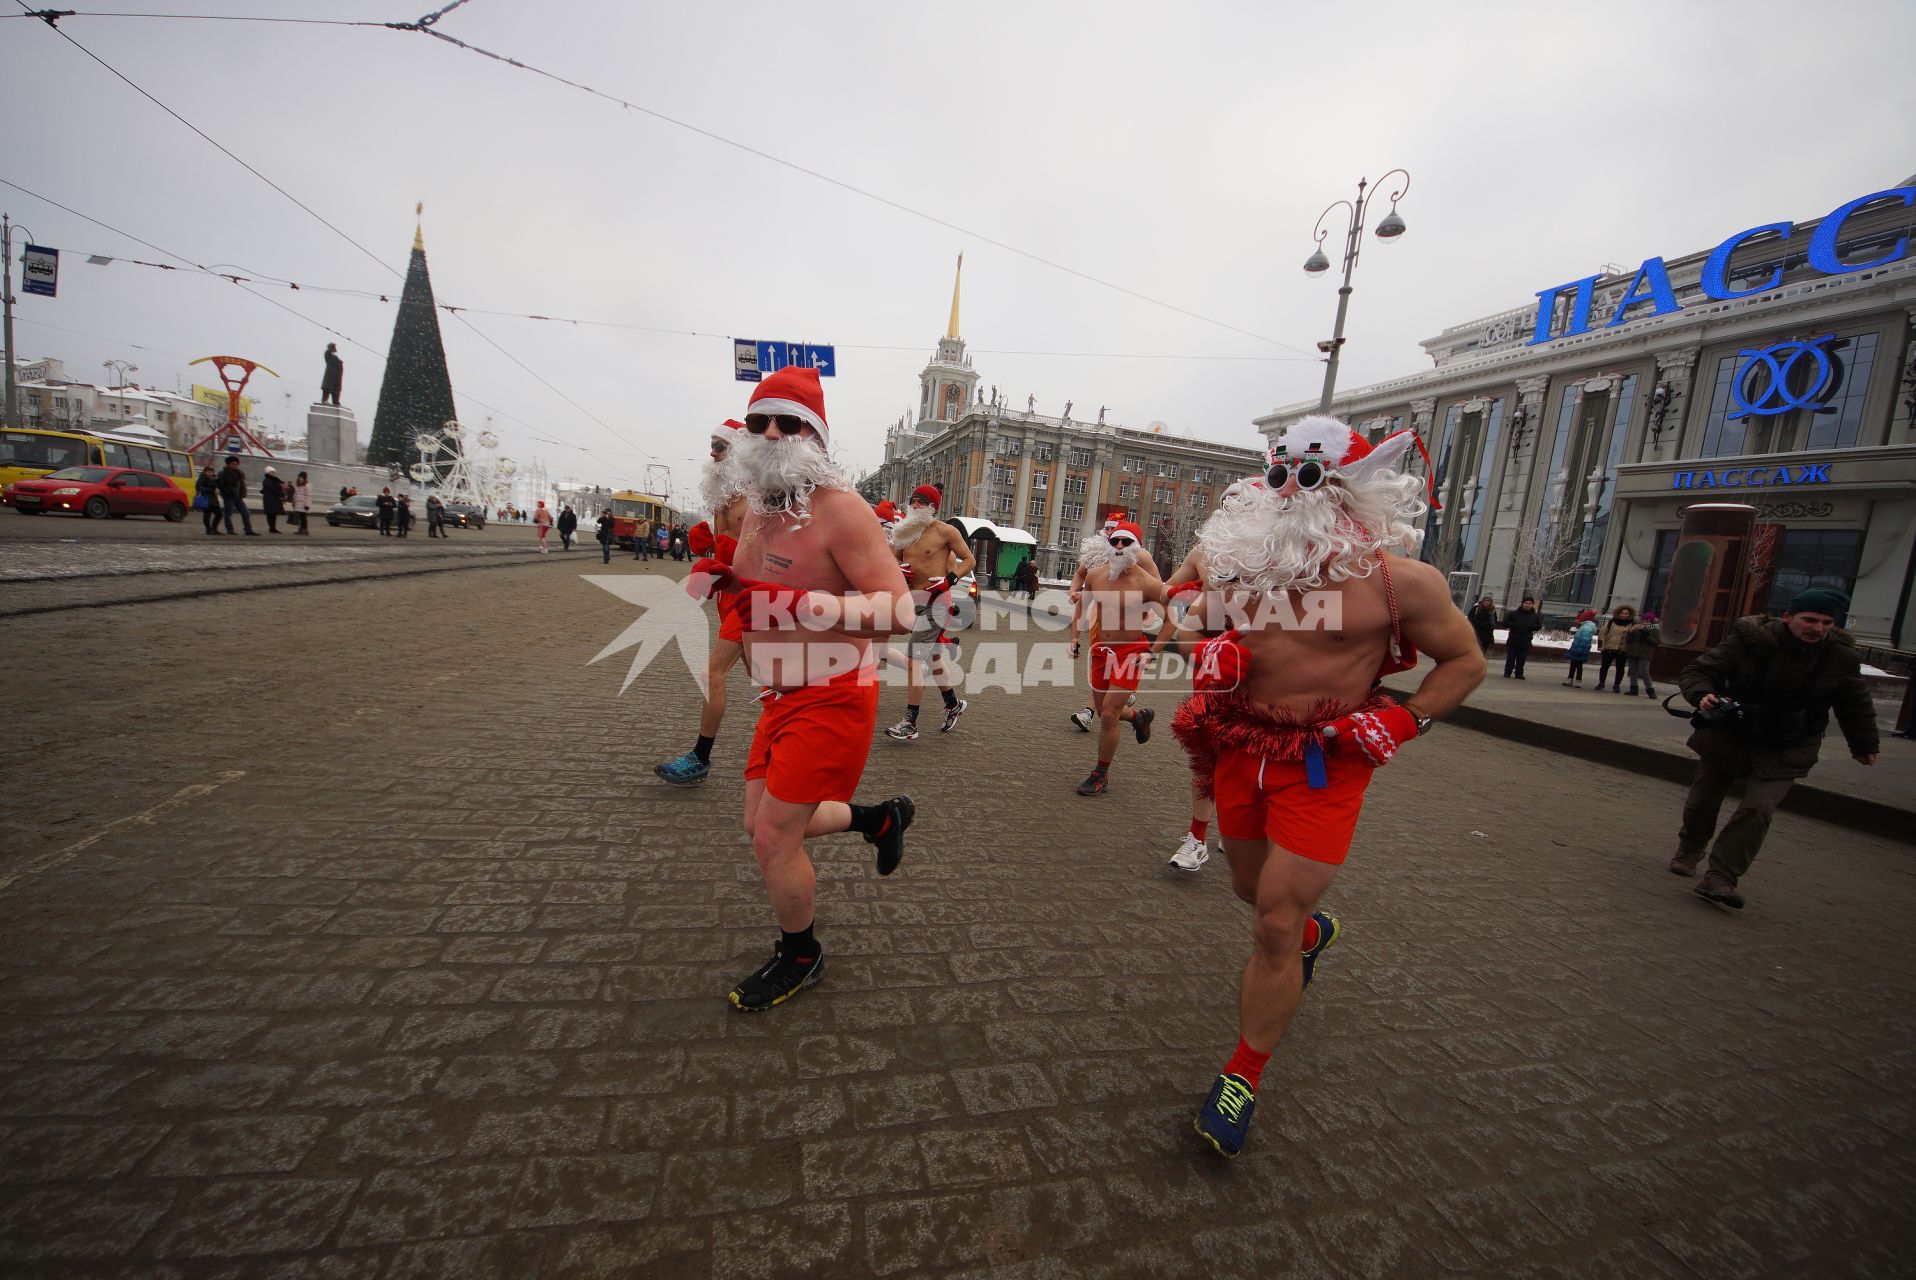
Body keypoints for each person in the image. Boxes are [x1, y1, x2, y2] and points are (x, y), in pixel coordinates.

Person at [1168, 415, 1484, 1157]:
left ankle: (1242, 1074)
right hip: (1240, 747)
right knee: (1252, 893)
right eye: (1279, 476)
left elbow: (1466, 663)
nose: (1291, 492)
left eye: (1310, 478)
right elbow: (1185, 619)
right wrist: (1203, 643)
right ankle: (1314, 937)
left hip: (1326, 761)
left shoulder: (1398, 583)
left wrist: (1404, 724)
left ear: (1352, 491)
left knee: (1272, 922)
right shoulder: (1239, 565)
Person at [683, 366, 914, 1011]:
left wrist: (802, 604)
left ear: (816, 435)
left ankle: (802, 955)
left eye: (791, 423)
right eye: (761, 422)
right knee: (758, 821)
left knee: (772, 837)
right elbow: (760, 589)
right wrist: (723, 576)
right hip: (777, 698)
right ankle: (879, 817)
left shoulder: (841, 510)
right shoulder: (758, 508)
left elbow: (898, 611)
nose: (774, 433)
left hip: (833, 692)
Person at [1672, 588, 1879, 909]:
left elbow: (1854, 703)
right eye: (1809, 619)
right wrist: (1702, 694)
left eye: (1826, 622)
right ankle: (1691, 846)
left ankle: (1721, 877)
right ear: (1788, 617)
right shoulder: (1749, 641)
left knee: (1758, 808)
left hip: (1790, 744)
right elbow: (1698, 670)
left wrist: (1864, 744)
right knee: (1702, 801)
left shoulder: (1840, 658)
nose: (1818, 628)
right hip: (1731, 735)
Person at [657, 421, 753, 785]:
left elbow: (775, 556)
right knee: (765, 678)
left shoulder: (758, 498)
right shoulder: (719, 499)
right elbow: (724, 550)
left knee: (711, 673)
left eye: (720, 446)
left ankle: (700, 757)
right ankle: (796, 738)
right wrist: (707, 548)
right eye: (711, 446)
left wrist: (730, 558)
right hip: (727, 600)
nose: (713, 453)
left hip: (751, 600)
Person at [1071, 519, 1167, 795]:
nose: (1120, 546)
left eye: (1127, 542)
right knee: (1102, 710)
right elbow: (1082, 608)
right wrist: (1074, 638)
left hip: (1131, 651)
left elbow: (1171, 619)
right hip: (1102, 649)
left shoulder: (1148, 583)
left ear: (1136, 548)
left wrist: (1153, 651)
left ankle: (1100, 773)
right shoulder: (1097, 575)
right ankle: (1138, 717)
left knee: (1108, 714)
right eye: (1115, 541)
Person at [883, 485, 976, 742]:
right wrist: (898, 570)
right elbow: (891, 560)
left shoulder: (945, 531)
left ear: (932, 507)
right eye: (913, 501)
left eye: (922, 502)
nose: (915, 506)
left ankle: (910, 722)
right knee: (934, 659)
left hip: (937, 602)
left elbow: (969, 560)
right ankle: (953, 704)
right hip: (914, 602)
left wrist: (949, 580)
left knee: (914, 660)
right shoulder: (903, 533)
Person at [1067, 518, 1159, 733]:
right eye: (1109, 532)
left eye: (1116, 530)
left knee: (1111, 694)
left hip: (1128, 617)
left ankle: (1092, 710)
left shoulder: (1141, 555)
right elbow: (1081, 574)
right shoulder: (1099, 552)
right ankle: (1128, 711)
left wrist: (1150, 607)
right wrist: (1074, 590)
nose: (1113, 537)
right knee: (1101, 663)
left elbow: (1157, 584)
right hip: (1100, 614)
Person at [1597, 605, 1637, 692]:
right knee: (1604, 667)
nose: (1624, 615)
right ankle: (1601, 683)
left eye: (1626, 614)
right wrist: (1601, 646)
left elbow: (1634, 638)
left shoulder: (1632, 624)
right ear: (1618, 613)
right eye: (1622, 613)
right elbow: (1601, 634)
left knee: (1620, 668)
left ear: (1629, 615)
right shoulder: (1612, 622)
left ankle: (1616, 685)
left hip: (1622, 650)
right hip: (1609, 648)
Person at [1625, 610, 1662, 696]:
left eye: (1648, 621)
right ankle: (1633, 688)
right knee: (1632, 671)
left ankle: (1650, 690)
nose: (1645, 622)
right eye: (1644, 620)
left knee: (1644, 672)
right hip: (1633, 652)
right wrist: (1631, 631)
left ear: (1651, 621)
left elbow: (1655, 642)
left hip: (1645, 653)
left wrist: (1646, 634)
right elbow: (1629, 640)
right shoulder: (1637, 627)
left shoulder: (1654, 629)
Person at [1502, 597, 1541, 678]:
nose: (1528, 605)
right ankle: (1507, 672)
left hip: (1525, 640)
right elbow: (1506, 623)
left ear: (1532, 605)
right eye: (1526, 603)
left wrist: (1532, 626)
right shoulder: (1514, 613)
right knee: (1511, 657)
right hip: (1513, 639)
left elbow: (1538, 625)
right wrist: (1515, 625)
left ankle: (1519, 673)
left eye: (1530, 603)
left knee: (1521, 659)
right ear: (1523, 603)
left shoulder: (1534, 616)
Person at [217, 456, 258, 535]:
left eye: (236, 464)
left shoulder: (239, 473)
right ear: (228, 464)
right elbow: (221, 485)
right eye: (233, 464)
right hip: (229, 496)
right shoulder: (223, 473)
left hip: (238, 496)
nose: (235, 465)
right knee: (228, 513)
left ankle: (248, 530)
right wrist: (227, 492)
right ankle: (230, 529)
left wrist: (242, 492)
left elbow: (241, 484)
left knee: (245, 512)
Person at [1563, 609, 1597, 686]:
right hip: (1581, 649)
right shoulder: (1586, 626)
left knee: (1575, 665)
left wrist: (1578, 649)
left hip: (1579, 649)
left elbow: (1583, 640)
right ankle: (1576, 680)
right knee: (1578, 665)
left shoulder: (1585, 628)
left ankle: (1572, 679)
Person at [197, 464, 224, 535]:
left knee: (219, 514)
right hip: (206, 498)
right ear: (204, 472)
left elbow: (218, 486)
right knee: (207, 514)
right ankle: (209, 530)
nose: (210, 473)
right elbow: (199, 487)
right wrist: (209, 489)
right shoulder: (202, 478)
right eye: (208, 472)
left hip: (213, 499)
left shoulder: (213, 479)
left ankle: (214, 529)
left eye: (211, 472)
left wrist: (217, 481)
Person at [259, 466, 286, 533]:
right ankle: (272, 528)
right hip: (269, 499)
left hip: (274, 499)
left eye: (274, 472)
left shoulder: (275, 480)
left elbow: (279, 486)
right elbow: (272, 489)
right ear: (268, 473)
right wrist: (280, 493)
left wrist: (283, 487)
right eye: (272, 472)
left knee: (273, 514)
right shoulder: (267, 480)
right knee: (270, 514)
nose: (274, 473)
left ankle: (273, 528)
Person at [320, 342, 344, 406]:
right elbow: (328, 352)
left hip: (337, 377)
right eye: (334, 347)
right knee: (327, 388)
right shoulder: (328, 354)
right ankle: (324, 400)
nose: (335, 349)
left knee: (336, 390)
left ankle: (335, 401)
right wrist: (331, 347)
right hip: (330, 375)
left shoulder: (335, 357)